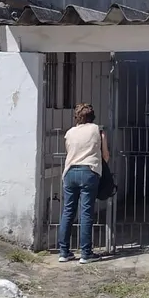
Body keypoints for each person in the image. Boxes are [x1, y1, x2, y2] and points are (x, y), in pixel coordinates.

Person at [58, 103, 109, 263]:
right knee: (86, 213)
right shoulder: (97, 130)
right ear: (92, 116)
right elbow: (105, 154)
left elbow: (69, 152)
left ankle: (64, 252)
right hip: (89, 172)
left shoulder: (70, 133)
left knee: (68, 212)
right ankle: (86, 254)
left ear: (77, 117)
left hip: (70, 172)